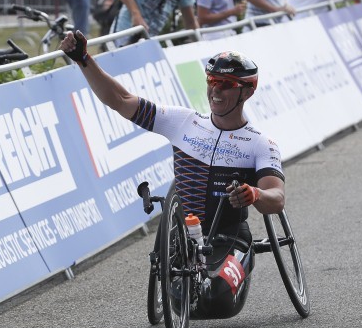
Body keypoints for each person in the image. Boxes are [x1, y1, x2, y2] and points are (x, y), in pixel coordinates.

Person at [60, 30, 285, 243]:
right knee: (177, 283)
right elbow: (121, 99)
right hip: (183, 238)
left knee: (219, 285)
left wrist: (255, 194)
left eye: (225, 84)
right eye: (211, 81)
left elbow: (277, 198)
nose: (215, 90)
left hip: (229, 238)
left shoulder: (261, 144)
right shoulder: (184, 121)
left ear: (247, 92)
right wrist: (83, 60)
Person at [110, 0, 199, 47]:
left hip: (149, 40)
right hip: (126, 32)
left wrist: (201, 44)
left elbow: (190, 22)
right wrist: (135, 14)